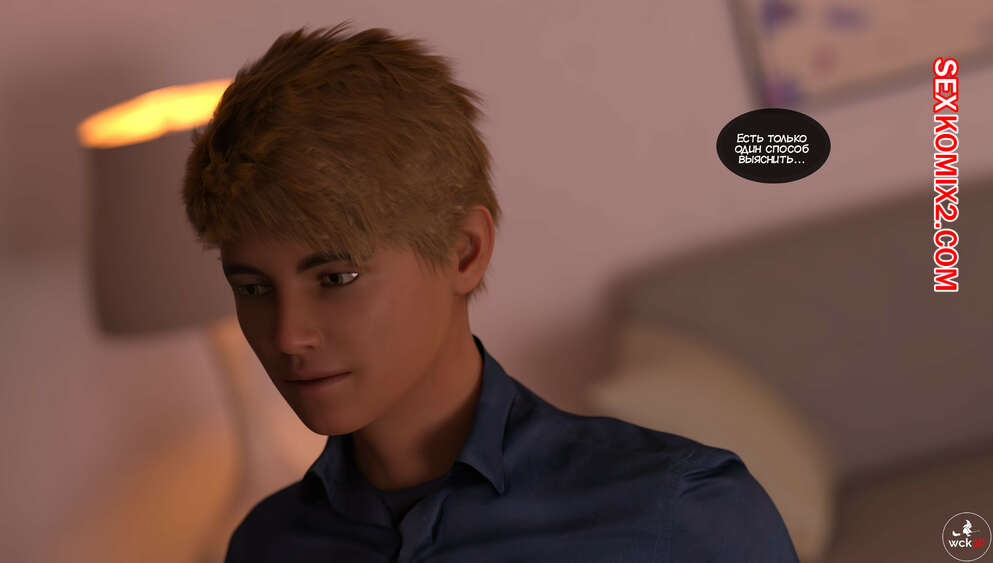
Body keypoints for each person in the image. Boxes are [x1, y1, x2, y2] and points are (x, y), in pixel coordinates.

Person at [181, 21, 800, 563]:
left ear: (465, 251)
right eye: (253, 288)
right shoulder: (265, 546)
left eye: (336, 279)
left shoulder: (678, 514)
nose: (288, 335)